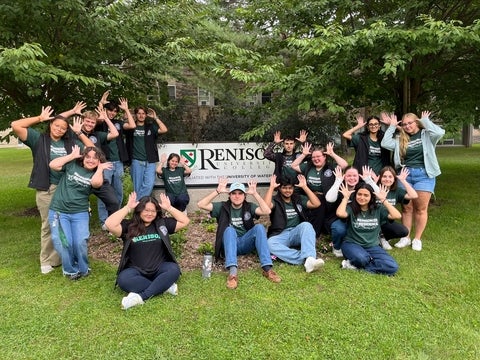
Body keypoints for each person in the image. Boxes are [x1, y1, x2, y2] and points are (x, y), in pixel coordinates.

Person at [10, 102, 93, 274]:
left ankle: (60, 258)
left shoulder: (71, 143)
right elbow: (15, 125)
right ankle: (46, 260)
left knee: (64, 225)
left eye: (63, 128)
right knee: (49, 224)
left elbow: (92, 150)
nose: (59, 130)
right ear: (50, 125)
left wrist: (78, 132)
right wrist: (39, 118)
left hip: (67, 191)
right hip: (47, 189)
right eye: (56, 126)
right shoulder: (38, 140)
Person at [104, 192, 189, 310]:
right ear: (139, 210)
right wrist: (127, 207)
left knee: (173, 269)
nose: (149, 213)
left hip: (160, 268)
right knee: (123, 280)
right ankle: (165, 287)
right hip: (136, 270)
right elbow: (109, 224)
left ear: (157, 212)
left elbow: (185, 221)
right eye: (146, 210)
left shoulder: (161, 224)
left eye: (153, 211)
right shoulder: (129, 226)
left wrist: (169, 208)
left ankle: (141, 297)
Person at [197, 178, 281, 289]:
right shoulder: (222, 206)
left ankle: (267, 269)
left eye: (240, 193)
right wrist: (217, 191)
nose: (237, 196)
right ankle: (232, 274)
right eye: (234, 193)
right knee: (229, 230)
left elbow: (267, 211)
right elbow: (201, 204)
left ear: (244, 196)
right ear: (229, 195)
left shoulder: (249, 206)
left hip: (244, 243)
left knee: (260, 227)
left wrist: (255, 193)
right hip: (228, 243)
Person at [380, 111, 445, 251]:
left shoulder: (427, 135)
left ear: (417, 123)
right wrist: (392, 126)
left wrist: (426, 121)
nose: (408, 126)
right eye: (405, 124)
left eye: (410, 123)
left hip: (424, 174)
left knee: (421, 208)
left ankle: (417, 239)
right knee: (406, 207)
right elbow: (385, 143)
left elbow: (440, 133)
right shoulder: (400, 138)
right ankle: (406, 237)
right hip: (405, 175)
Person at [48, 145, 111, 280]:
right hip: (59, 211)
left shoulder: (96, 174)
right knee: (64, 242)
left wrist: (99, 169)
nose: (90, 160)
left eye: (95, 158)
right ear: (83, 158)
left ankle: (83, 268)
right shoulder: (71, 165)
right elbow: (53, 164)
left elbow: (96, 184)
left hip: (80, 212)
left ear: (99, 161)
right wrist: (71, 156)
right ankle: (70, 270)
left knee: (80, 241)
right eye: (88, 157)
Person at [336, 182, 401, 275]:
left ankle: (353, 265)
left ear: (371, 197)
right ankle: (367, 262)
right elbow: (340, 213)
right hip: (351, 244)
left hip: (372, 246)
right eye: (359, 194)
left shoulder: (378, 209)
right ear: (355, 195)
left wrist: (383, 199)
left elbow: (397, 215)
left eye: (366, 195)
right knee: (362, 259)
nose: (362, 197)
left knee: (392, 267)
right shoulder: (351, 208)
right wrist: (345, 198)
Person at [263, 174, 324, 272]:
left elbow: (316, 203)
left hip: (296, 232)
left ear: (293, 188)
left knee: (306, 225)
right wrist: (271, 187)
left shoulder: (298, 198)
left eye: (290, 188)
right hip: (281, 234)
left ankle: (310, 257)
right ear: (279, 188)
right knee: (269, 244)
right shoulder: (275, 200)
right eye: (284, 188)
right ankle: (306, 259)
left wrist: (305, 187)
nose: (287, 191)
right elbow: (265, 208)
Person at [290, 142, 348, 238]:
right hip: (310, 195)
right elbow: (294, 165)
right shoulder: (308, 166)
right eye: (313, 157)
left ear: (324, 156)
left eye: (318, 156)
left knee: (320, 203)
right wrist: (304, 155)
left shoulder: (330, 167)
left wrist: (332, 154)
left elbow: (344, 165)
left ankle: (315, 232)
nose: (315, 159)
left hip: (327, 198)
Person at [96, 92, 136, 226]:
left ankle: (116, 218)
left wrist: (126, 110)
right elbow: (98, 118)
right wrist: (101, 104)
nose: (112, 113)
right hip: (105, 162)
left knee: (118, 192)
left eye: (114, 111)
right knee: (104, 192)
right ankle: (104, 221)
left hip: (118, 162)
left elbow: (132, 126)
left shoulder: (118, 123)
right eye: (110, 110)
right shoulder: (100, 123)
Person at [363, 166, 418, 250]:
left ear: (394, 179)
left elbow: (414, 195)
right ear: (380, 177)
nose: (387, 179)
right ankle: (374, 238)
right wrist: (370, 181)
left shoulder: (397, 191)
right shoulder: (373, 188)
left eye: (390, 177)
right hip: (372, 221)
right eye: (384, 176)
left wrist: (403, 181)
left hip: (386, 222)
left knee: (403, 231)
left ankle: (383, 237)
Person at [125, 106, 168, 199]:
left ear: (145, 115)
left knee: (149, 184)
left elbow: (164, 129)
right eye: (139, 113)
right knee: (137, 187)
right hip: (136, 161)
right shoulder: (130, 127)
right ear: (136, 115)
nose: (141, 115)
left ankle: (137, 203)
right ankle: (140, 207)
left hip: (150, 161)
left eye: (143, 113)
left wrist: (155, 118)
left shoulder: (150, 126)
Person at [325, 166, 363, 257]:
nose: (352, 178)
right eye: (349, 175)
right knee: (339, 229)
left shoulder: (361, 187)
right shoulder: (339, 186)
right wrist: (337, 181)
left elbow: (379, 196)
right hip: (338, 219)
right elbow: (329, 199)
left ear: (359, 177)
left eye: (355, 175)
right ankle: (337, 247)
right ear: (344, 176)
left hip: (357, 218)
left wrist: (369, 180)